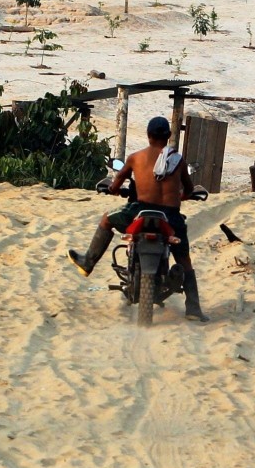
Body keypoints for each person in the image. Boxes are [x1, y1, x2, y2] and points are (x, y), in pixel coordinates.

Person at [69, 116, 208, 322]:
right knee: (184, 260)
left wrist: (113, 189)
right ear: (169, 136)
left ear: (148, 135)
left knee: (107, 219)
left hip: (140, 210)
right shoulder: (177, 160)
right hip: (170, 217)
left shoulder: (135, 158)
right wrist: (180, 196)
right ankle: (194, 309)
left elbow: (115, 185)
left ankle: (87, 262)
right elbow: (188, 190)